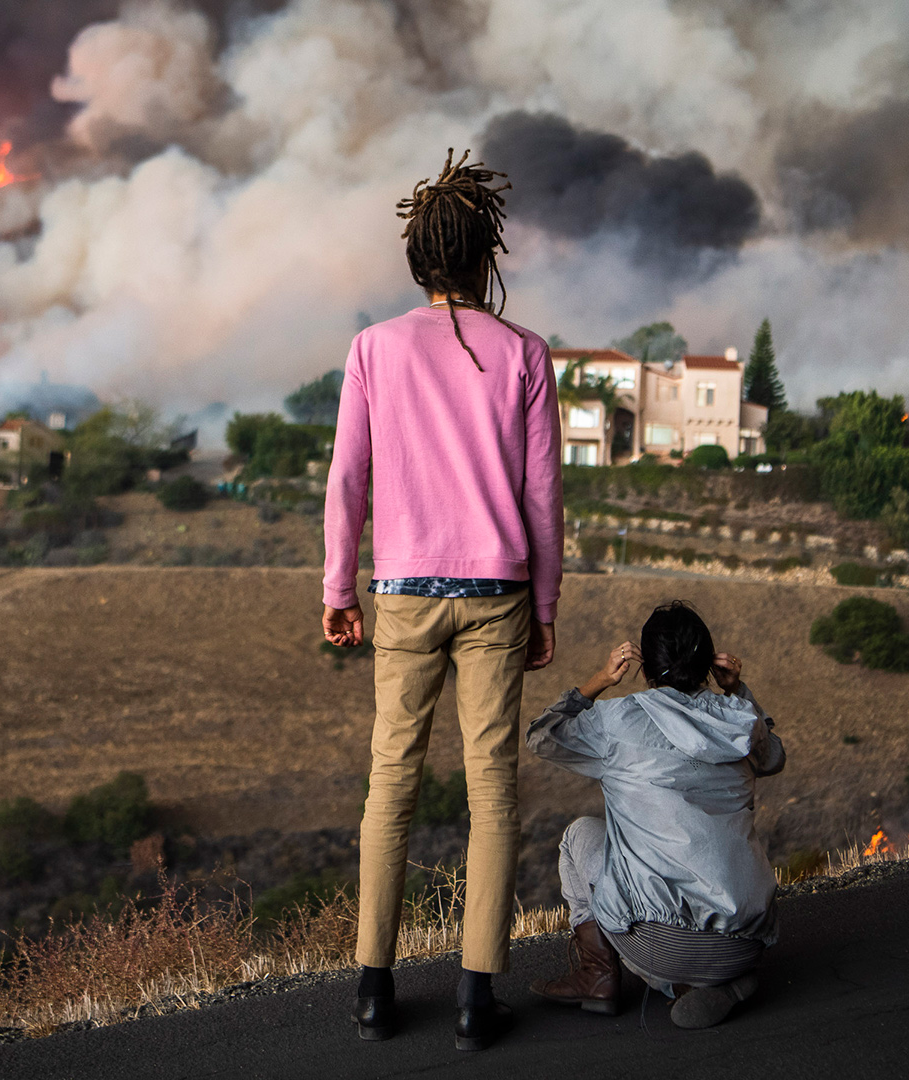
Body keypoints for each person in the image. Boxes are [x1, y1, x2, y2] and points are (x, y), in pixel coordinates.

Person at [322, 149, 563, 1052]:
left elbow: (349, 477)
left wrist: (338, 585)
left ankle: (375, 994)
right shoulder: (526, 354)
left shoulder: (372, 349)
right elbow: (542, 496)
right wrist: (544, 605)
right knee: (491, 792)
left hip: (406, 596)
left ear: (420, 258)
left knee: (392, 783)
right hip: (498, 594)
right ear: (483, 256)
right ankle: (473, 1001)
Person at [527, 601, 785, 1030]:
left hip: (663, 942)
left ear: (644, 664)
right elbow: (773, 756)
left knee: (577, 837)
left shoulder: (618, 720)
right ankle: (720, 983)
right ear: (709, 663)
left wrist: (599, 682)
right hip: (748, 939)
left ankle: (602, 979)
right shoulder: (742, 720)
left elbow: (541, 737)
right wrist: (737, 691)